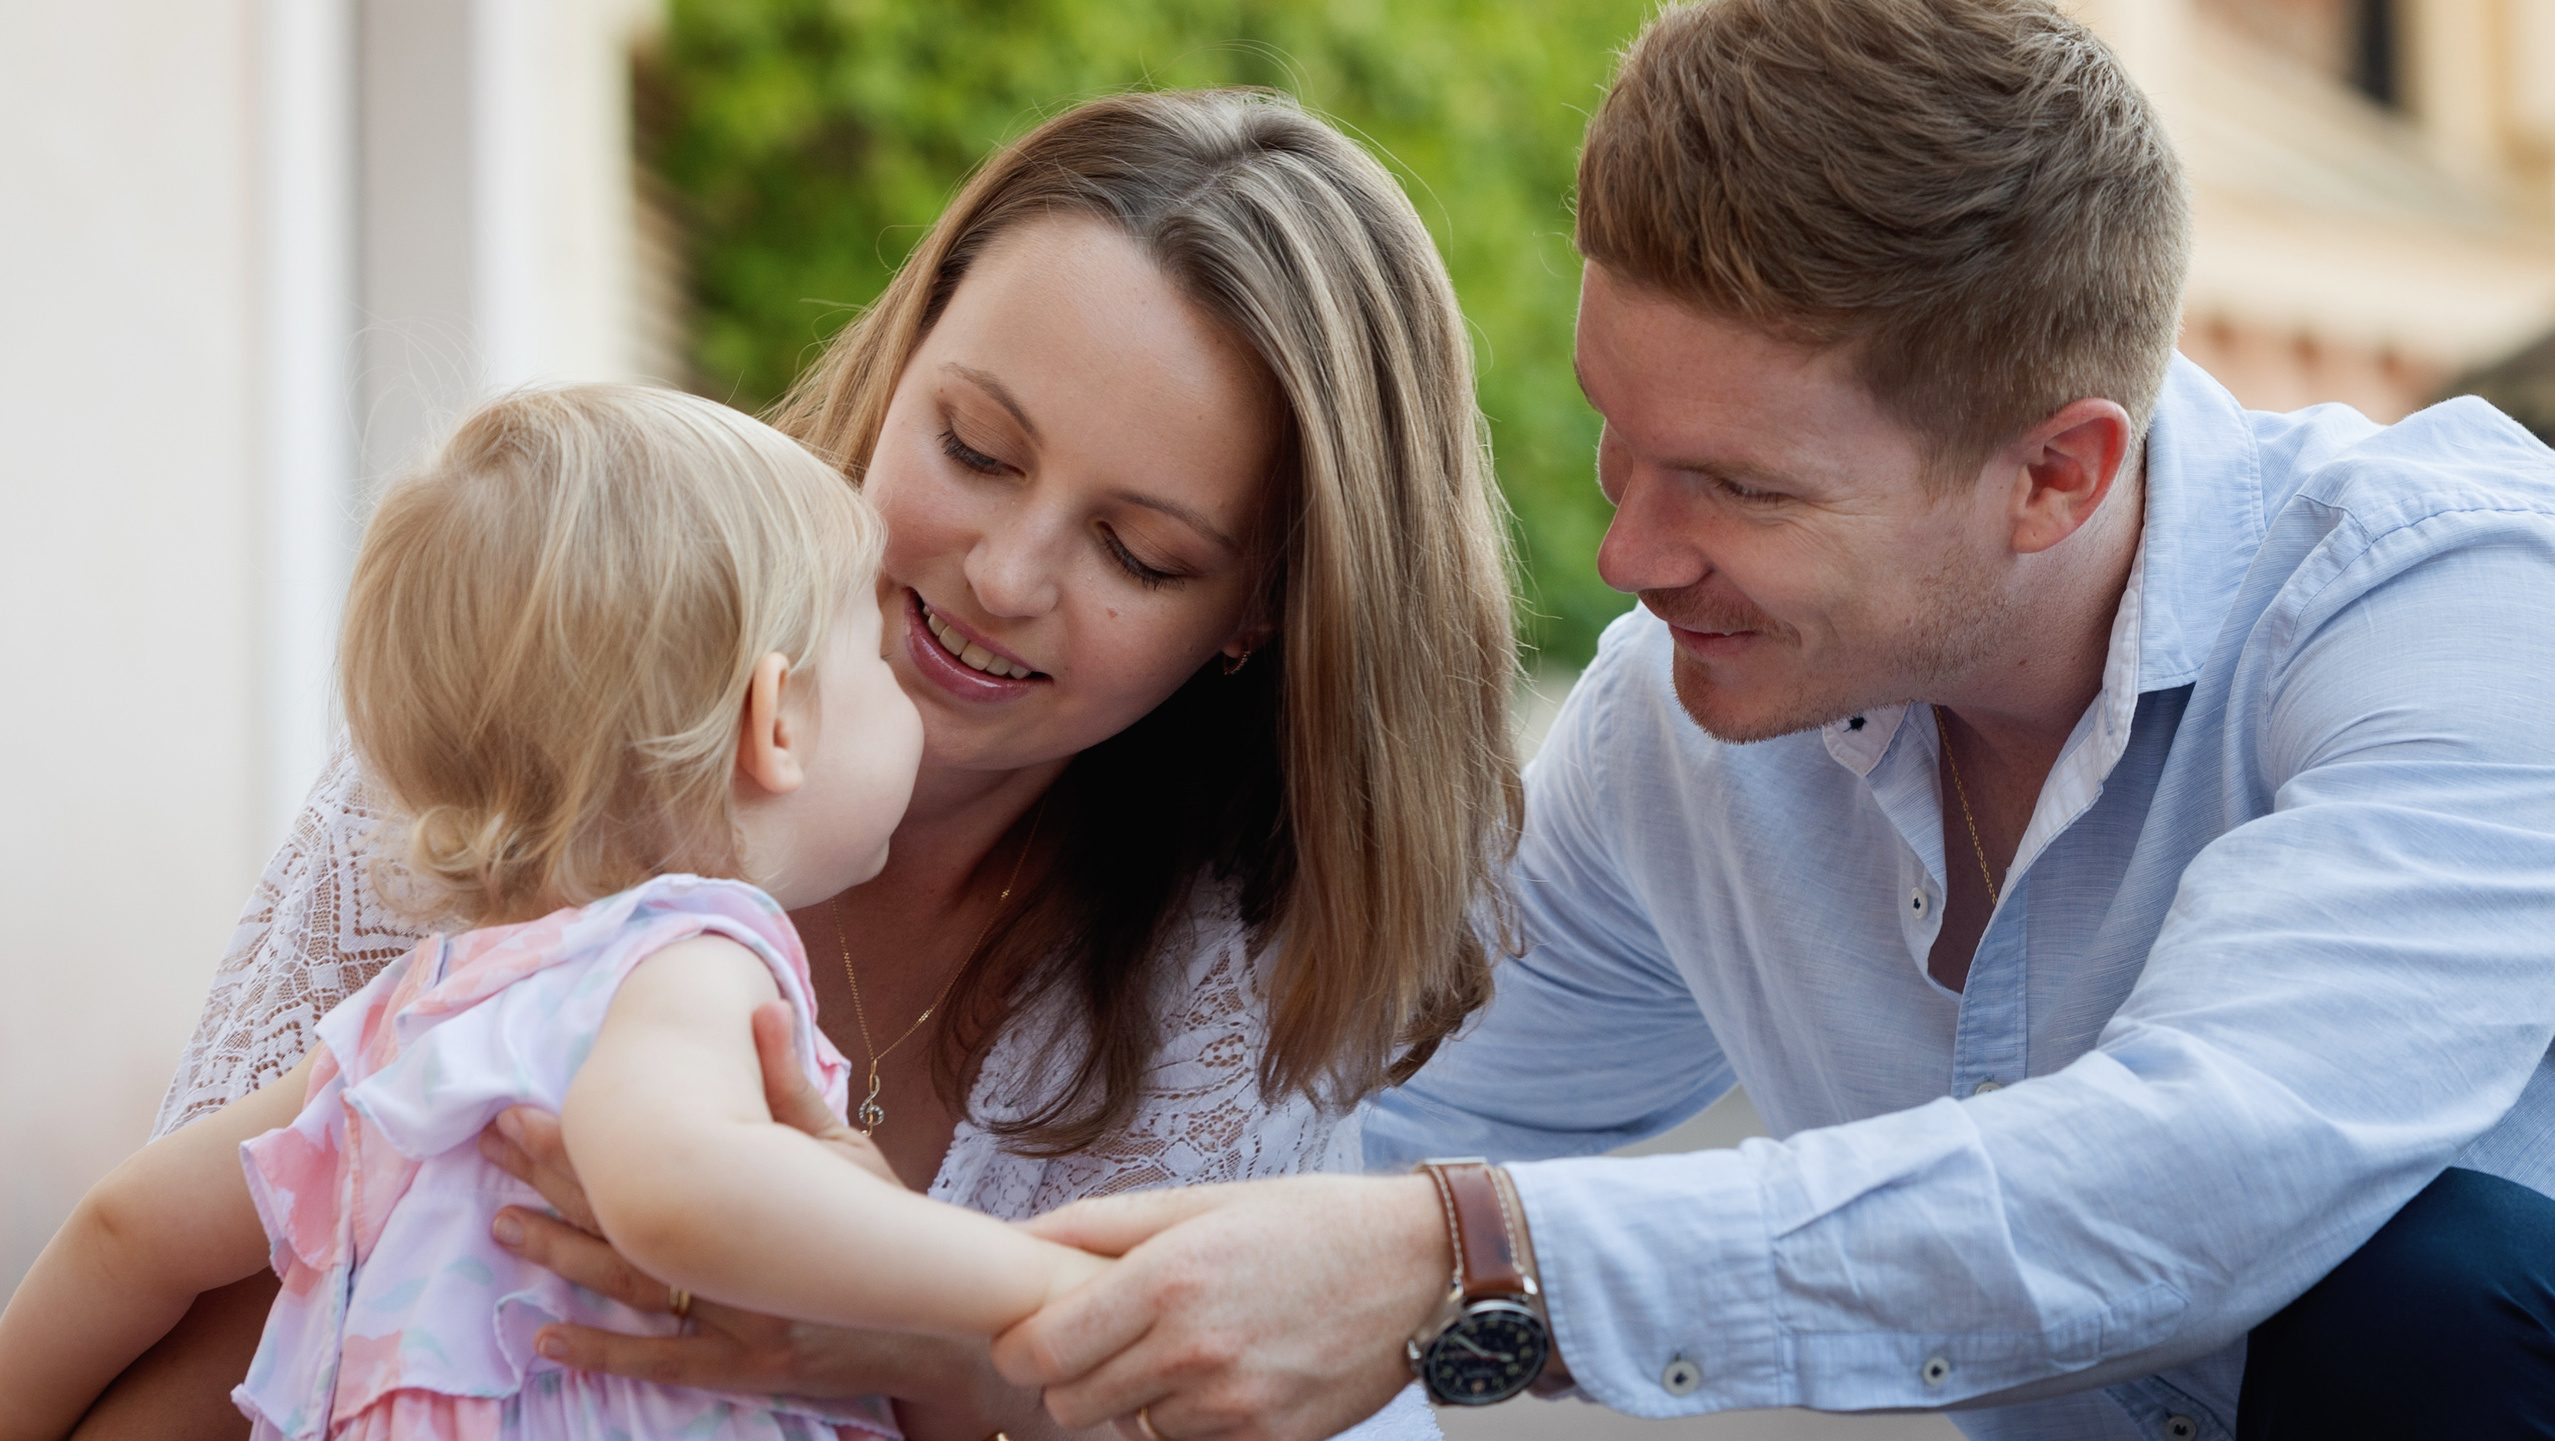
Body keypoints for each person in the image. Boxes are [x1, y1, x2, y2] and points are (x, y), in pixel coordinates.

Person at [987, 3, 2555, 1438]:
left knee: (2425, 1286)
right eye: (1622, 441)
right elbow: (1320, 1122)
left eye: (1740, 488)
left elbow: (2205, 1169)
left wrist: (1470, 1267)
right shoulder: (1684, 743)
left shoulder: (2462, 602)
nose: (1628, 557)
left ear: (2056, 473)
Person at [74, 89, 1519, 1441]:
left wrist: (931, 1361)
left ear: (1261, 613)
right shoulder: (525, 741)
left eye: (1140, 552)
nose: (1005, 575)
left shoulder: (1234, 997)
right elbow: (186, 1286)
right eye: (974, 445)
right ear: (900, 370)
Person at [0, 384, 1130, 1436]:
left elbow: (126, 1231)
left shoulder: (410, 1016)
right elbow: (679, 1186)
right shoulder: (684, 954)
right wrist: (1037, 1284)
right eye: (873, 656)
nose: (904, 691)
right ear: (775, 722)